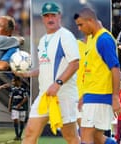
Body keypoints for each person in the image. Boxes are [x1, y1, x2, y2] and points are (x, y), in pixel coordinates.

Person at [17, 2, 80, 144]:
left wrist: (57, 83)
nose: (50, 19)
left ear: (59, 16)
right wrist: (28, 74)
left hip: (63, 95)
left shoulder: (66, 36)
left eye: (53, 15)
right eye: (46, 16)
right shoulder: (43, 40)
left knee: (71, 137)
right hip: (44, 95)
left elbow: (75, 63)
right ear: (42, 18)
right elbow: (46, 67)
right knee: (29, 133)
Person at [74, 7, 121, 144]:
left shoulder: (104, 39)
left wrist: (116, 97)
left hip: (100, 95)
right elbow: (92, 70)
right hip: (91, 95)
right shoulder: (92, 39)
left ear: (90, 21)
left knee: (86, 134)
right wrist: (84, 96)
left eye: (81, 24)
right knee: (97, 138)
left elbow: (115, 68)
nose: (79, 28)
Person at [8, 76, 28, 141]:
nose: (12, 82)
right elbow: (10, 98)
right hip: (14, 108)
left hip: (22, 108)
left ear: (18, 81)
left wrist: (20, 104)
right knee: (15, 120)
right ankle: (17, 136)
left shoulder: (23, 89)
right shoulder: (12, 89)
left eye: (13, 81)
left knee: (22, 122)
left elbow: (25, 98)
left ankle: (19, 135)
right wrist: (9, 106)